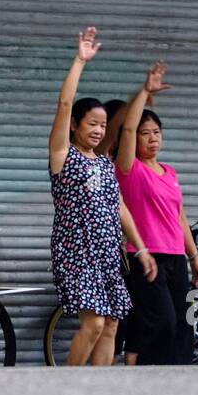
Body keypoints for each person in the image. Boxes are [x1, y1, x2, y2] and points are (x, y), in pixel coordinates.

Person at [49, 27, 155, 366]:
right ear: (76, 125)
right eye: (91, 123)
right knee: (93, 323)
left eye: (102, 125)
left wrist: (140, 248)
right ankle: (69, 387)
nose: (97, 130)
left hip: (108, 252)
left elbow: (119, 207)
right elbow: (65, 103)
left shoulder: (105, 164)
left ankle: (98, 393)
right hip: (76, 251)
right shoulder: (63, 155)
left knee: (111, 325)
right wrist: (80, 61)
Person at [114, 60, 198, 365]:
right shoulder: (129, 170)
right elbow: (127, 126)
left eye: (156, 132)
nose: (152, 138)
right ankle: (146, 376)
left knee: (182, 326)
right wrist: (145, 90)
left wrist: (195, 257)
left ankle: (175, 383)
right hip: (146, 256)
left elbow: (179, 216)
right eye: (145, 134)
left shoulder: (169, 171)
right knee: (162, 321)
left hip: (175, 257)